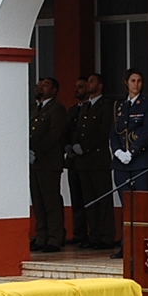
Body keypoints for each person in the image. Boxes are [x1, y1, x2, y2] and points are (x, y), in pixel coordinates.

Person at [110, 68, 148, 260]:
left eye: (139, 81)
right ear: (126, 83)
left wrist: (132, 151)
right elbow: (114, 132)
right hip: (121, 163)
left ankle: (143, 245)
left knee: (142, 205)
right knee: (126, 205)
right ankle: (126, 245)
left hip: (140, 161)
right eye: (132, 81)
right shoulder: (119, 106)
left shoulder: (146, 104)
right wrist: (118, 152)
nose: (136, 84)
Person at [70, 73, 115, 250]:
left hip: (98, 160)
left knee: (103, 199)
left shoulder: (106, 105)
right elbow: (78, 129)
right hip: (83, 162)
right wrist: (73, 145)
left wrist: (85, 147)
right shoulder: (85, 106)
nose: (88, 84)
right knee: (89, 201)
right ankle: (94, 235)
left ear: (100, 85)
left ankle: (106, 236)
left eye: (92, 81)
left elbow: (104, 131)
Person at [29, 77, 67, 253]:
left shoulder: (56, 109)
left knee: (51, 201)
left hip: (49, 162)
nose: (40, 87)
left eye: (45, 85)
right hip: (34, 163)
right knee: (38, 202)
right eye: (39, 84)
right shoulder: (34, 109)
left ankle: (54, 238)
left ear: (54, 90)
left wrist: (36, 151)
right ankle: (41, 236)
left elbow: (54, 135)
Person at [63, 76, 90, 246]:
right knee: (76, 198)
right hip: (73, 160)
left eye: (81, 86)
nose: (77, 90)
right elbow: (66, 130)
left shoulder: (92, 109)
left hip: (88, 159)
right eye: (76, 86)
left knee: (90, 198)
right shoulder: (73, 110)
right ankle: (79, 233)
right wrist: (67, 146)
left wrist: (83, 147)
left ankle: (94, 234)